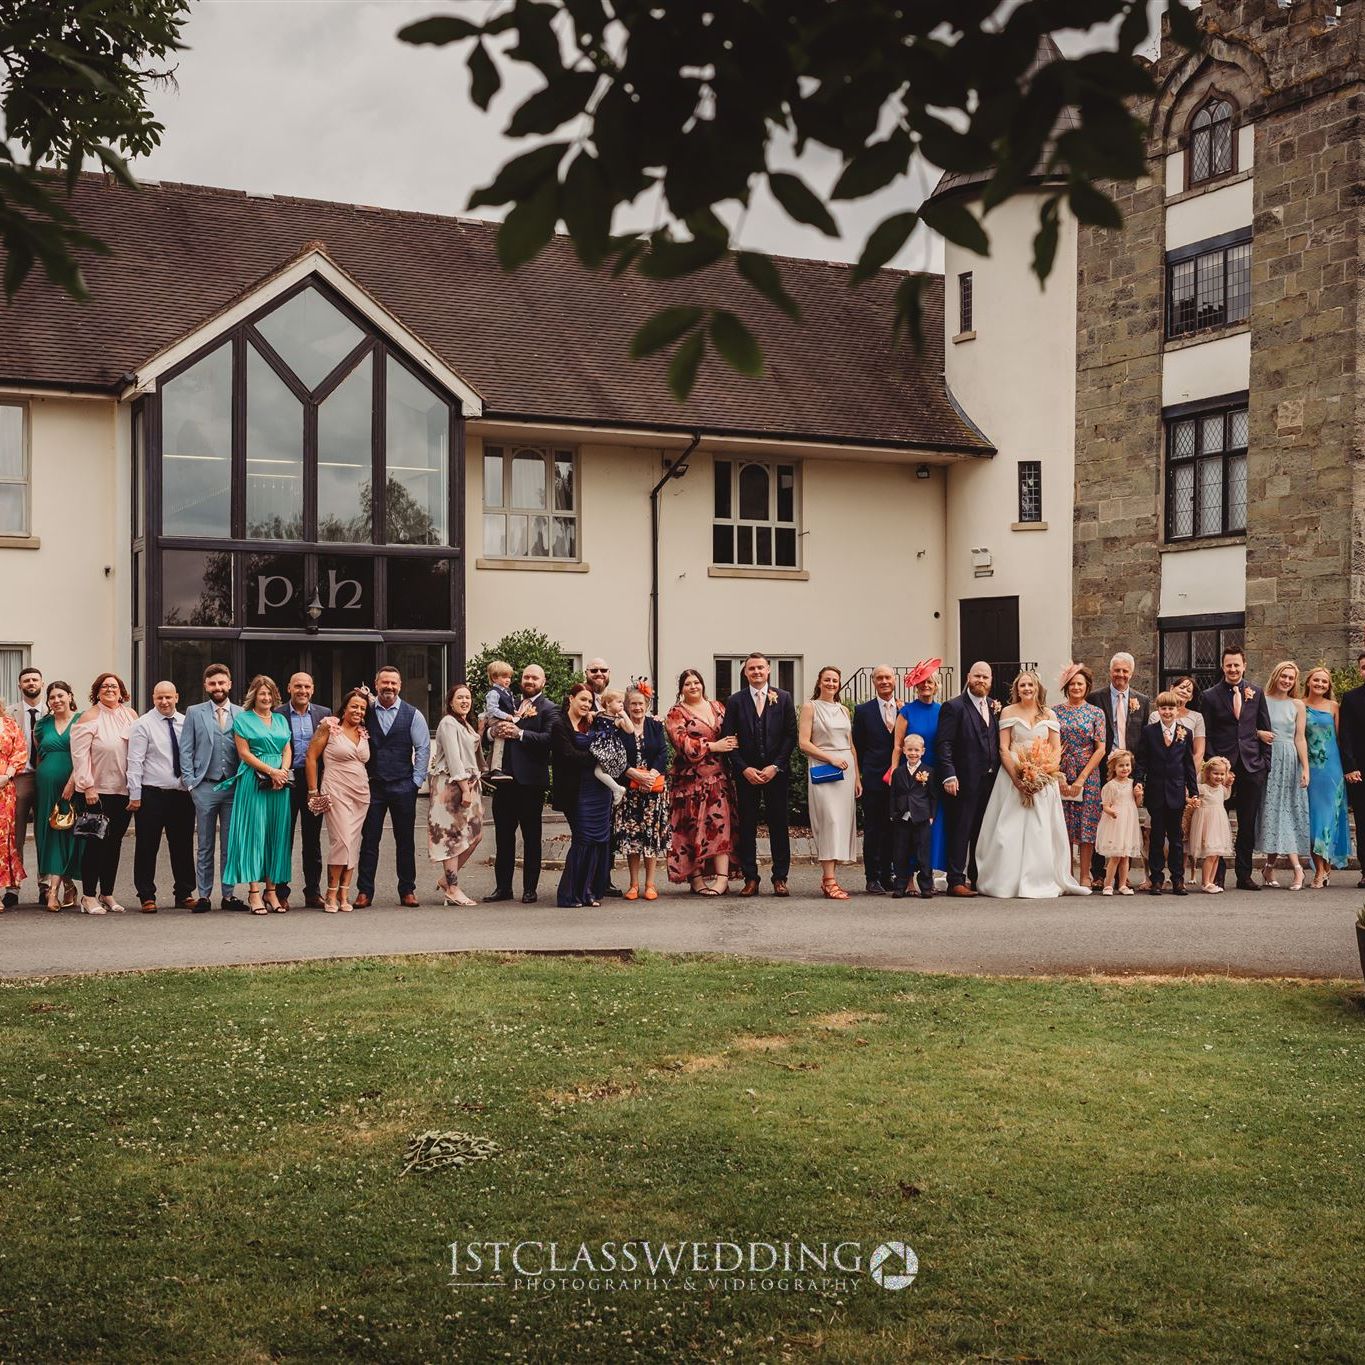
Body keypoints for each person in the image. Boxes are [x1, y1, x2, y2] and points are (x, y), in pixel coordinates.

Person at [974, 671, 1089, 899]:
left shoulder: (1049, 714)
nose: (1026, 689)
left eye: (1030, 685)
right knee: (1009, 830)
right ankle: (1005, 880)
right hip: (1013, 775)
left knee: (1040, 829)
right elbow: (1003, 748)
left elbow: (1056, 749)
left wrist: (1043, 773)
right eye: (1022, 685)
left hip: (1043, 778)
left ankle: (1040, 878)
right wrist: (1017, 778)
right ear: (1017, 689)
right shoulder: (1008, 712)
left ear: (1037, 688)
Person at [722, 652, 797, 897]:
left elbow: (790, 736)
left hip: (776, 773)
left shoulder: (783, 698)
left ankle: (780, 878)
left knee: (778, 825)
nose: (756, 672)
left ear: (769, 670)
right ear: (745, 672)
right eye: (751, 668)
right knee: (747, 826)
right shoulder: (735, 701)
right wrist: (743, 768)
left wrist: (776, 766)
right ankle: (750, 877)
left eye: (760, 668)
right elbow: (729, 739)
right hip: (747, 774)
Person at [354, 665, 430, 909]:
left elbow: (423, 749)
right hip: (373, 786)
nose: (389, 687)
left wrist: (416, 782)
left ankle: (407, 889)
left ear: (400, 686)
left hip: (402, 786)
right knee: (369, 841)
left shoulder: (413, 714)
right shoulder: (365, 711)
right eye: (384, 683)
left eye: (393, 683)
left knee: (405, 840)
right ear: (376, 685)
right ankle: (364, 891)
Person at [1201, 645, 1273, 891]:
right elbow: (1207, 734)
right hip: (1222, 771)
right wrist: (1216, 767)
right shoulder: (1210, 695)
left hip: (1252, 768)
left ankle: (1244, 874)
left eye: (1236, 665)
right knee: (1218, 823)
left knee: (1247, 823)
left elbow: (1265, 730)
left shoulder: (1256, 692)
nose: (1233, 669)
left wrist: (1264, 765)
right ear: (1223, 666)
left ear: (1244, 665)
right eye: (1228, 665)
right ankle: (1217, 875)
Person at [220, 674, 293, 914]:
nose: (266, 697)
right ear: (254, 695)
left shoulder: (281, 719)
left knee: (275, 834)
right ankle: (253, 893)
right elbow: (244, 754)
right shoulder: (243, 720)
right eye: (261, 693)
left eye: (269, 693)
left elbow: (287, 749)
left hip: (279, 785)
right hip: (254, 782)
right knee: (255, 835)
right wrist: (271, 771)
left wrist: (282, 773)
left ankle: (271, 891)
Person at [180, 663, 248, 913]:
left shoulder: (242, 714)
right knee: (205, 844)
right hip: (205, 787)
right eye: (212, 684)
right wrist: (190, 783)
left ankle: (228, 895)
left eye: (221, 683)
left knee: (230, 844)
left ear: (229, 684)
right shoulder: (194, 712)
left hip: (233, 787)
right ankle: (205, 895)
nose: (217, 688)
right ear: (206, 686)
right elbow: (186, 749)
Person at [486, 662, 557, 904]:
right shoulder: (508, 702)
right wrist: (492, 733)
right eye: (526, 677)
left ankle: (530, 889)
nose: (529, 681)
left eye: (534, 678)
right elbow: (489, 726)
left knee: (531, 838)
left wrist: (520, 734)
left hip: (530, 784)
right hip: (504, 782)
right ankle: (503, 888)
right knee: (503, 838)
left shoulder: (549, 708)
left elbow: (550, 739)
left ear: (543, 682)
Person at [69, 672, 137, 914]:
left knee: (115, 844)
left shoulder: (130, 715)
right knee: (95, 843)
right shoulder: (89, 717)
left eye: (114, 686)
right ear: (97, 691)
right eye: (105, 686)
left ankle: (106, 892)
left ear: (121, 691)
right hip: (97, 792)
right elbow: (79, 756)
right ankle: (88, 896)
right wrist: (87, 786)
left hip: (124, 790)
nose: (110, 689)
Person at [666, 668, 738, 895]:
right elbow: (681, 742)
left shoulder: (718, 707)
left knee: (720, 826)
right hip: (689, 781)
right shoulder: (676, 713)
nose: (693, 686)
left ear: (703, 684)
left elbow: (733, 731)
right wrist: (713, 746)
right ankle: (696, 880)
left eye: (696, 682)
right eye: (688, 684)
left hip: (719, 777)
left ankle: (722, 879)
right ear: (681, 689)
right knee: (691, 828)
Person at [126, 680, 195, 913]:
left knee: (183, 845)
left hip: (181, 794)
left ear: (176, 696)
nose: (164, 702)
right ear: (153, 698)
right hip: (151, 794)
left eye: (168, 697)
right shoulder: (142, 725)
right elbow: (134, 762)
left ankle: (184, 893)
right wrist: (135, 795)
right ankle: (146, 895)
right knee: (147, 846)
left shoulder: (187, 722)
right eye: (159, 698)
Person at [1087, 652, 1152, 887]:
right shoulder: (1096, 698)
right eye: (1117, 670)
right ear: (1110, 671)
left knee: (1125, 820)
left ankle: (1121, 878)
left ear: (1131, 673)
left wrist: (1139, 776)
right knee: (1102, 818)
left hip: (1129, 769)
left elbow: (1144, 742)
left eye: (1125, 671)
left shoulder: (1142, 701)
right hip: (1104, 767)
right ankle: (1098, 874)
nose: (1121, 675)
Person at [936, 661, 1001, 897]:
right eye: (977, 676)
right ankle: (955, 880)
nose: (981, 681)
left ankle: (976, 877)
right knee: (960, 829)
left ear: (990, 681)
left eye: (985, 677)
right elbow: (944, 744)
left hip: (991, 780)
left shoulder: (994, 706)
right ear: (968, 677)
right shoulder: (953, 707)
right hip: (963, 780)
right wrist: (949, 774)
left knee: (982, 831)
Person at [305, 689, 371, 912]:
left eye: (362, 708)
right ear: (344, 707)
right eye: (354, 706)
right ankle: (331, 892)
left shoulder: (363, 732)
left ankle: (345, 892)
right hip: (335, 790)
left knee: (353, 843)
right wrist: (313, 790)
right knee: (341, 841)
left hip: (361, 794)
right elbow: (311, 757)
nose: (358, 711)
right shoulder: (329, 726)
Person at [799, 665, 859, 900]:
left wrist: (857, 777)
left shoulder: (844, 710)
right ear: (819, 682)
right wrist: (831, 758)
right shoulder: (810, 707)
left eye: (835, 680)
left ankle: (831, 877)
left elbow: (851, 744)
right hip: (824, 767)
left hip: (847, 770)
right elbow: (804, 743)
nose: (831, 684)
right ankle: (828, 880)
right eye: (827, 680)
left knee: (842, 822)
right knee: (829, 821)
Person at [551, 682, 612, 907]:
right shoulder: (559, 725)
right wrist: (598, 756)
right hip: (576, 792)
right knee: (583, 839)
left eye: (589, 701)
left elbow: (615, 732)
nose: (586, 704)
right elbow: (568, 755)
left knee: (597, 841)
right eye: (583, 699)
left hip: (599, 791)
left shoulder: (592, 723)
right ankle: (568, 894)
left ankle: (588, 891)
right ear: (571, 699)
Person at [274, 672, 331, 910]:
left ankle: (313, 891)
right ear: (289, 688)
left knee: (313, 840)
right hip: (285, 782)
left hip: (312, 783)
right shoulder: (277, 714)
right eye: (298, 686)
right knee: (282, 839)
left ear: (313, 689)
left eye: (307, 686)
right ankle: (281, 892)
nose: (302, 690)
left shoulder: (324, 714)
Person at [1134, 691, 1199, 896]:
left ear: (1177, 710)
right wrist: (1138, 782)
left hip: (1176, 791)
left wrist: (1194, 791)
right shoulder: (1149, 732)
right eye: (1164, 708)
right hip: (1155, 791)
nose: (1168, 712)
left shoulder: (1185, 732)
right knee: (1156, 839)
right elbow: (1142, 760)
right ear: (1158, 710)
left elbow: (1188, 764)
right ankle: (1157, 879)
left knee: (1176, 838)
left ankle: (1178, 879)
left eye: (1171, 708)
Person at [1255, 660, 1310, 891]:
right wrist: (1259, 733)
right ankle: (1269, 866)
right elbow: (1247, 727)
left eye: (1291, 678)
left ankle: (1297, 869)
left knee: (1289, 810)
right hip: (1268, 757)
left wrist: (1305, 768)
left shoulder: (1297, 704)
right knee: (1271, 811)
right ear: (1276, 676)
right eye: (1284, 676)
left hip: (1290, 759)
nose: (1287, 681)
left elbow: (1300, 738)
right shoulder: (1262, 700)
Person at [890, 660, 947, 880]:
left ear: (936, 685)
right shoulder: (906, 712)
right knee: (910, 826)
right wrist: (895, 774)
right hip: (911, 776)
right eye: (922, 682)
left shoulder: (943, 710)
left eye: (930, 682)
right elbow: (897, 745)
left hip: (935, 775)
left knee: (932, 827)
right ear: (916, 686)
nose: (926, 686)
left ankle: (928, 874)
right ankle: (909, 878)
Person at [428, 681, 484, 907]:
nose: (464, 701)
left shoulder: (465, 724)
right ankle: (452, 888)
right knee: (452, 838)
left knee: (475, 834)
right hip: (452, 786)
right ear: (450, 702)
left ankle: (446, 880)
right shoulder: (448, 723)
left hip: (470, 783)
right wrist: (463, 788)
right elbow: (453, 757)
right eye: (459, 697)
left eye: (468, 698)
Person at [1056, 662, 1107, 888]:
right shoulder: (1054, 712)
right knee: (1064, 823)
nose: (1076, 687)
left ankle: (1085, 873)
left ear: (1087, 687)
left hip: (1088, 773)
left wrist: (1081, 779)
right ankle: (1067, 873)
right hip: (1061, 770)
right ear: (1066, 687)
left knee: (1087, 823)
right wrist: (1059, 776)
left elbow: (1101, 748)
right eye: (1072, 684)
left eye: (1080, 684)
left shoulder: (1096, 712)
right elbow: (1050, 744)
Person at [615, 686, 668, 901]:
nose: (637, 707)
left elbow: (663, 752)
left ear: (647, 705)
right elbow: (616, 755)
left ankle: (650, 884)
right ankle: (633, 884)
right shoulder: (620, 727)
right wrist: (636, 776)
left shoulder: (655, 725)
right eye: (633, 704)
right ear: (627, 706)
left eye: (641, 704)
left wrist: (651, 776)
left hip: (653, 791)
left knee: (650, 837)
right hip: (630, 790)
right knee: (633, 839)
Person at [850, 664, 899, 893]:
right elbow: (856, 747)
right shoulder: (863, 711)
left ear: (894, 680)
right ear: (874, 682)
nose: (884, 681)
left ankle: (889, 874)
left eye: (887, 677)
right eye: (879, 678)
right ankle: (872, 876)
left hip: (898, 779)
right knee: (873, 828)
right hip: (872, 777)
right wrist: (858, 777)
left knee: (893, 827)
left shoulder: (903, 710)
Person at [33, 681, 79, 911]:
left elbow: (86, 755)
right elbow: (39, 756)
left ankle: (56, 892)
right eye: (52, 697)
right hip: (45, 788)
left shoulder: (82, 720)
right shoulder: (42, 725)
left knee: (66, 835)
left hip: (72, 785)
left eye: (61, 695)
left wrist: (71, 783)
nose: (56, 700)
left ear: (70, 696)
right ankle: (62, 887)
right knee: (48, 836)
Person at [1302, 665, 1351, 887]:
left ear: (1328, 686)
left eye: (1324, 682)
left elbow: (1342, 740)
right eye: (1316, 680)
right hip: (1310, 770)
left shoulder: (1334, 707)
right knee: (1313, 820)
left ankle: (1325, 866)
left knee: (1329, 819)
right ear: (1308, 682)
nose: (1320, 684)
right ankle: (1319, 869)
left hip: (1332, 770)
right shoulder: (1299, 705)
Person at [584, 658, 625, 899]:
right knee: (590, 832)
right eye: (594, 670)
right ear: (586, 673)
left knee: (609, 830)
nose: (599, 673)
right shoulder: (582, 697)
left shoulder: (614, 701)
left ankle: (604, 879)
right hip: (588, 774)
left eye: (603, 670)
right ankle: (588, 880)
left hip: (611, 769)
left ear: (609, 673)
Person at [5, 666, 44, 906]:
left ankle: (45, 884)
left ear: (42, 682)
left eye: (35, 679)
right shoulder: (9, 713)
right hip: (19, 778)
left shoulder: (53, 709)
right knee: (14, 835)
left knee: (45, 834)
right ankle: (13, 888)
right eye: (26, 680)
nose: (31, 683)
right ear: (20, 686)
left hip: (47, 779)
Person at [889, 733, 935, 899]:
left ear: (923, 751)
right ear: (904, 751)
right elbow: (893, 794)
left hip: (921, 817)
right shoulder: (898, 772)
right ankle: (900, 886)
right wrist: (893, 814)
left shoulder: (929, 771)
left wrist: (931, 814)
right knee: (900, 853)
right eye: (910, 750)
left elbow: (932, 796)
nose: (913, 753)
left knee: (923, 854)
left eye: (916, 750)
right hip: (902, 818)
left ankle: (926, 886)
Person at [1096, 749, 1141, 895]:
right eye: (1121, 765)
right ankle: (1108, 884)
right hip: (1116, 823)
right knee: (1115, 855)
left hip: (1128, 821)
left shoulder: (1133, 784)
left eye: (1127, 765)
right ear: (1114, 767)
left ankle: (1122, 884)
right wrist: (1111, 812)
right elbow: (1105, 805)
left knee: (1125, 856)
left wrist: (1139, 795)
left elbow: (1137, 803)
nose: (1125, 768)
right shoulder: (1110, 786)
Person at [1189, 756, 1234, 894]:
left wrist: (1229, 784)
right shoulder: (1202, 788)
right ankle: (1205, 882)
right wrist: (1193, 802)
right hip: (1207, 823)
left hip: (1219, 823)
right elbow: (1190, 795)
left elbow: (1226, 796)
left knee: (1217, 854)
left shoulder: (1221, 788)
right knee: (1211, 854)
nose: (1219, 777)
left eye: (1222, 774)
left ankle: (1211, 881)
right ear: (1207, 773)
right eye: (1216, 773)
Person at [1340, 652, 1365, 889]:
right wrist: (1350, 767)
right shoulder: (1351, 698)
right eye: (1364, 667)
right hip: (1360, 771)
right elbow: (1345, 736)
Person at [0, 700, 26, 909]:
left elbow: (20, 750)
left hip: (4, 789)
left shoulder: (10, 724)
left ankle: (8, 888)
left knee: (5, 837)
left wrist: (8, 773)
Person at [589, 688, 630, 804]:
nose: (622, 705)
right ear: (608, 703)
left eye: (622, 702)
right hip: (599, 746)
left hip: (609, 749)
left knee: (598, 772)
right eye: (619, 702)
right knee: (598, 770)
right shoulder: (600, 714)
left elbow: (630, 730)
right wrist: (589, 714)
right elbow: (591, 714)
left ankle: (617, 788)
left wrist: (625, 716)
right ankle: (615, 789)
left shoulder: (618, 720)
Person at [481, 659, 518, 784]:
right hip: (495, 719)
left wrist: (515, 714)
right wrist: (507, 716)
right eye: (504, 677)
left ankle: (486, 769)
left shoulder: (508, 692)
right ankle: (496, 768)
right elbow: (492, 710)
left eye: (509, 677)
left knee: (496, 744)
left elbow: (512, 707)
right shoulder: (493, 693)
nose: (508, 680)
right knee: (500, 737)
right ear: (494, 678)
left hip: (505, 718)